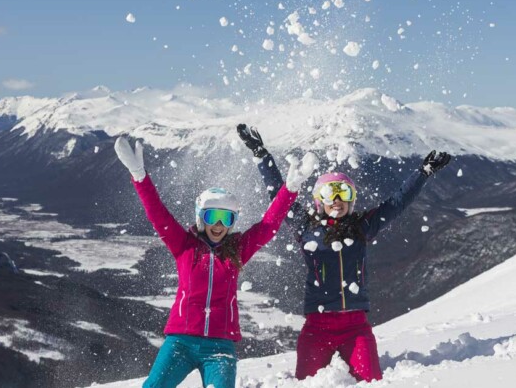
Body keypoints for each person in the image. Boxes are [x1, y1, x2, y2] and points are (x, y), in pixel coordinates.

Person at [236, 124, 451, 382]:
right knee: (306, 384)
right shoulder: (306, 228)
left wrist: (423, 172)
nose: (337, 199)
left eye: (344, 193)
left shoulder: (362, 227)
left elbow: (397, 202)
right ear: (319, 201)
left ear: (352, 200)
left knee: (371, 382)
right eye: (329, 193)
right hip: (316, 328)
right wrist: (261, 154)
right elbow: (279, 195)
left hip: (356, 328)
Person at [114, 136, 315, 388]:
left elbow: (268, 225)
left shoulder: (238, 250)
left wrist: (291, 189)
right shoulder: (184, 245)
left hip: (220, 346)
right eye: (212, 216)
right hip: (180, 342)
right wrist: (139, 176)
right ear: (201, 218)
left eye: (226, 218)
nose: (219, 225)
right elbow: (157, 213)